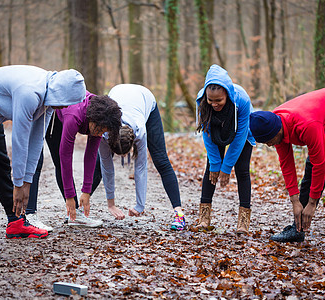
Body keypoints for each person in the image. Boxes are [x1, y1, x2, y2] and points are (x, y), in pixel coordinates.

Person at [0, 65, 86, 261]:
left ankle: (15, 222)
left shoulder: (49, 100)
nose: (66, 108)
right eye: (67, 102)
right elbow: (20, 139)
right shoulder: (30, 92)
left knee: (1, 167)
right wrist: (18, 183)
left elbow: (36, 140)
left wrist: (27, 182)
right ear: (60, 93)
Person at [249, 88, 325, 258]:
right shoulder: (274, 122)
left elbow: (320, 165)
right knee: (309, 172)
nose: (270, 145)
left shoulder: (305, 125)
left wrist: (312, 204)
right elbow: (286, 163)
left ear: (276, 132)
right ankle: (298, 228)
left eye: (269, 141)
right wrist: (295, 200)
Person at [90, 84, 187, 230]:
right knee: (98, 163)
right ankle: (76, 209)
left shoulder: (140, 130)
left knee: (161, 160)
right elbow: (107, 166)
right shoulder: (104, 133)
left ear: (133, 143)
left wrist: (140, 205)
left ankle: (179, 214)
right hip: (119, 94)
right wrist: (111, 204)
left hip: (145, 99)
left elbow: (140, 167)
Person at [26, 91, 122, 230]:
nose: (101, 134)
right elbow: (65, 156)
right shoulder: (74, 116)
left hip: (71, 111)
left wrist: (86, 191)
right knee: (38, 161)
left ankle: (75, 215)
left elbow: (91, 155)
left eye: (104, 131)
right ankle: (29, 214)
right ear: (93, 120)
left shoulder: (101, 117)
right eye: (100, 130)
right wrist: (70, 195)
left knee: (61, 162)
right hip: (50, 112)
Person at [195, 65, 255, 234]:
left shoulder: (241, 100)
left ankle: (243, 223)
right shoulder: (202, 101)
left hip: (241, 130)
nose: (214, 104)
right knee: (210, 169)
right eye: (210, 100)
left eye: (218, 101)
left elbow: (240, 137)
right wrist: (216, 164)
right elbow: (206, 134)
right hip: (216, 130)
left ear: (227, 94)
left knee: (242, 170)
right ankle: (204, 219)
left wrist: (227, 167)